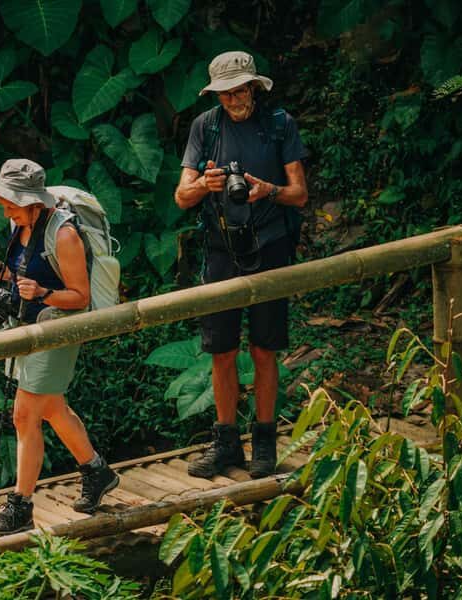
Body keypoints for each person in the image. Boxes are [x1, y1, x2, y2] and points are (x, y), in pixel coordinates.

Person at [0, 159, 119, 535]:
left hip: (57, 329)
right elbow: (22, 275)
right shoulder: (21, 225)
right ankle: (96, 471)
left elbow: (80, 296)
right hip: (28, 327)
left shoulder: (64, 234)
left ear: (33, 202)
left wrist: (43, 293)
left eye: (11, 204)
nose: (6, 211)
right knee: (51, 408)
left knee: (24, 415)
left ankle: (21, 506)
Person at [174, 51, 308, 479]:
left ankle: (265, 442)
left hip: (270, 244)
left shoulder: (279, 124)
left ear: (253, 86)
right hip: (222, 247)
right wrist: (204, 184)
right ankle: (226, 444)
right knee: (222, 350)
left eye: (239, 90)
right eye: (225, 93)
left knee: (265, 348)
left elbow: (299, 194)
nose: (234, 99)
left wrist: (269, 190)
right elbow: (182, 197)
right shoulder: (206, 126)